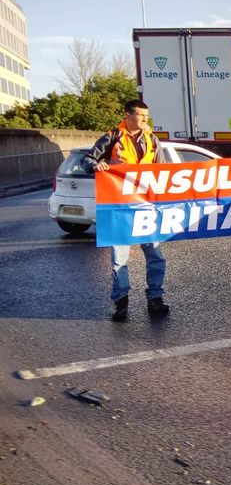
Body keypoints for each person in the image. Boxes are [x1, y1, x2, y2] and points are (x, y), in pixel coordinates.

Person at [83, 99, 169, 322]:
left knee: (155, 255)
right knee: (119, 260)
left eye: (147, 116)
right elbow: (87, 160)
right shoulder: (112, 137)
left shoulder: (152, 139)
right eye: (141, 115)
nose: (145, 120)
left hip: (146, 207)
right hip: (120, 208)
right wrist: (96, 165)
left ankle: (155, 298)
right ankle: (121, 303)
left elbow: (163, 171)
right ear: (127, 116)